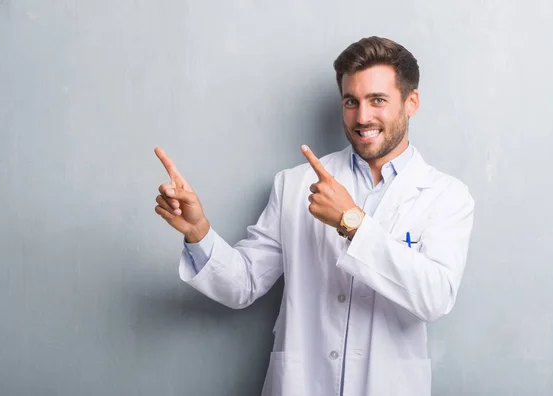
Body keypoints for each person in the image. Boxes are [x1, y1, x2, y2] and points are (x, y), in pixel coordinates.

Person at [154, 36, 475, 396]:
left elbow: (434, 298)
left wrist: (351, 222)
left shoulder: (445, 196)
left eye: (378, 100)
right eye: (351, 102)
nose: (362, 117)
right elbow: (242, 284)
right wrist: (199, 232)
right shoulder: (294, 184)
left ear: (410, 102)